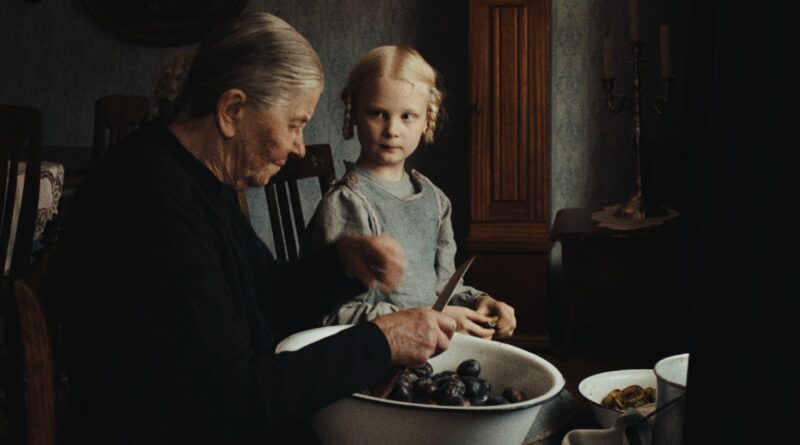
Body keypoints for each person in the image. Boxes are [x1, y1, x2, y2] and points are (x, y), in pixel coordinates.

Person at [54, 13, 455, 445]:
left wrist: (341, 266)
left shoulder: (197, 176)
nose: (299, 147)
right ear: (232, 110)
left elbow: (264, 297)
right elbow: (233, 400)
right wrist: (380, 342)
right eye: (295, 124)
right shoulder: (148, 198)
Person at [307, 45, 516, 339]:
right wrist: (432, 317)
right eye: (377, 113)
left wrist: (479, 301)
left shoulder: (436, 200)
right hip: (374, 357)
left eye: (407, 116)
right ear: (353, 112)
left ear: (427, 119)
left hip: (432, 349)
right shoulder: (347, 202)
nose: (392, 129)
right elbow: (334, 314)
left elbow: (444, 288)